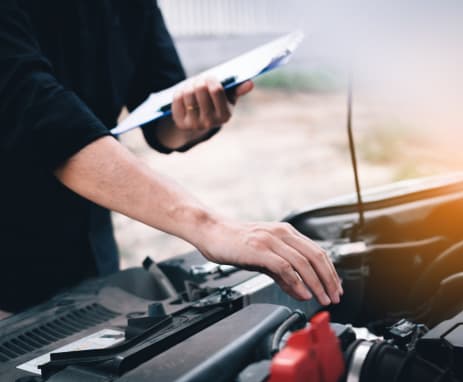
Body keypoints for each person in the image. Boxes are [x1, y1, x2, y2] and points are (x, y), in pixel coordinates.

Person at [0, 0, 342, 313]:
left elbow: (163, 121)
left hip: (91, 249)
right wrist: (210, 227)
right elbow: (41, 118)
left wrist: (194, 118)